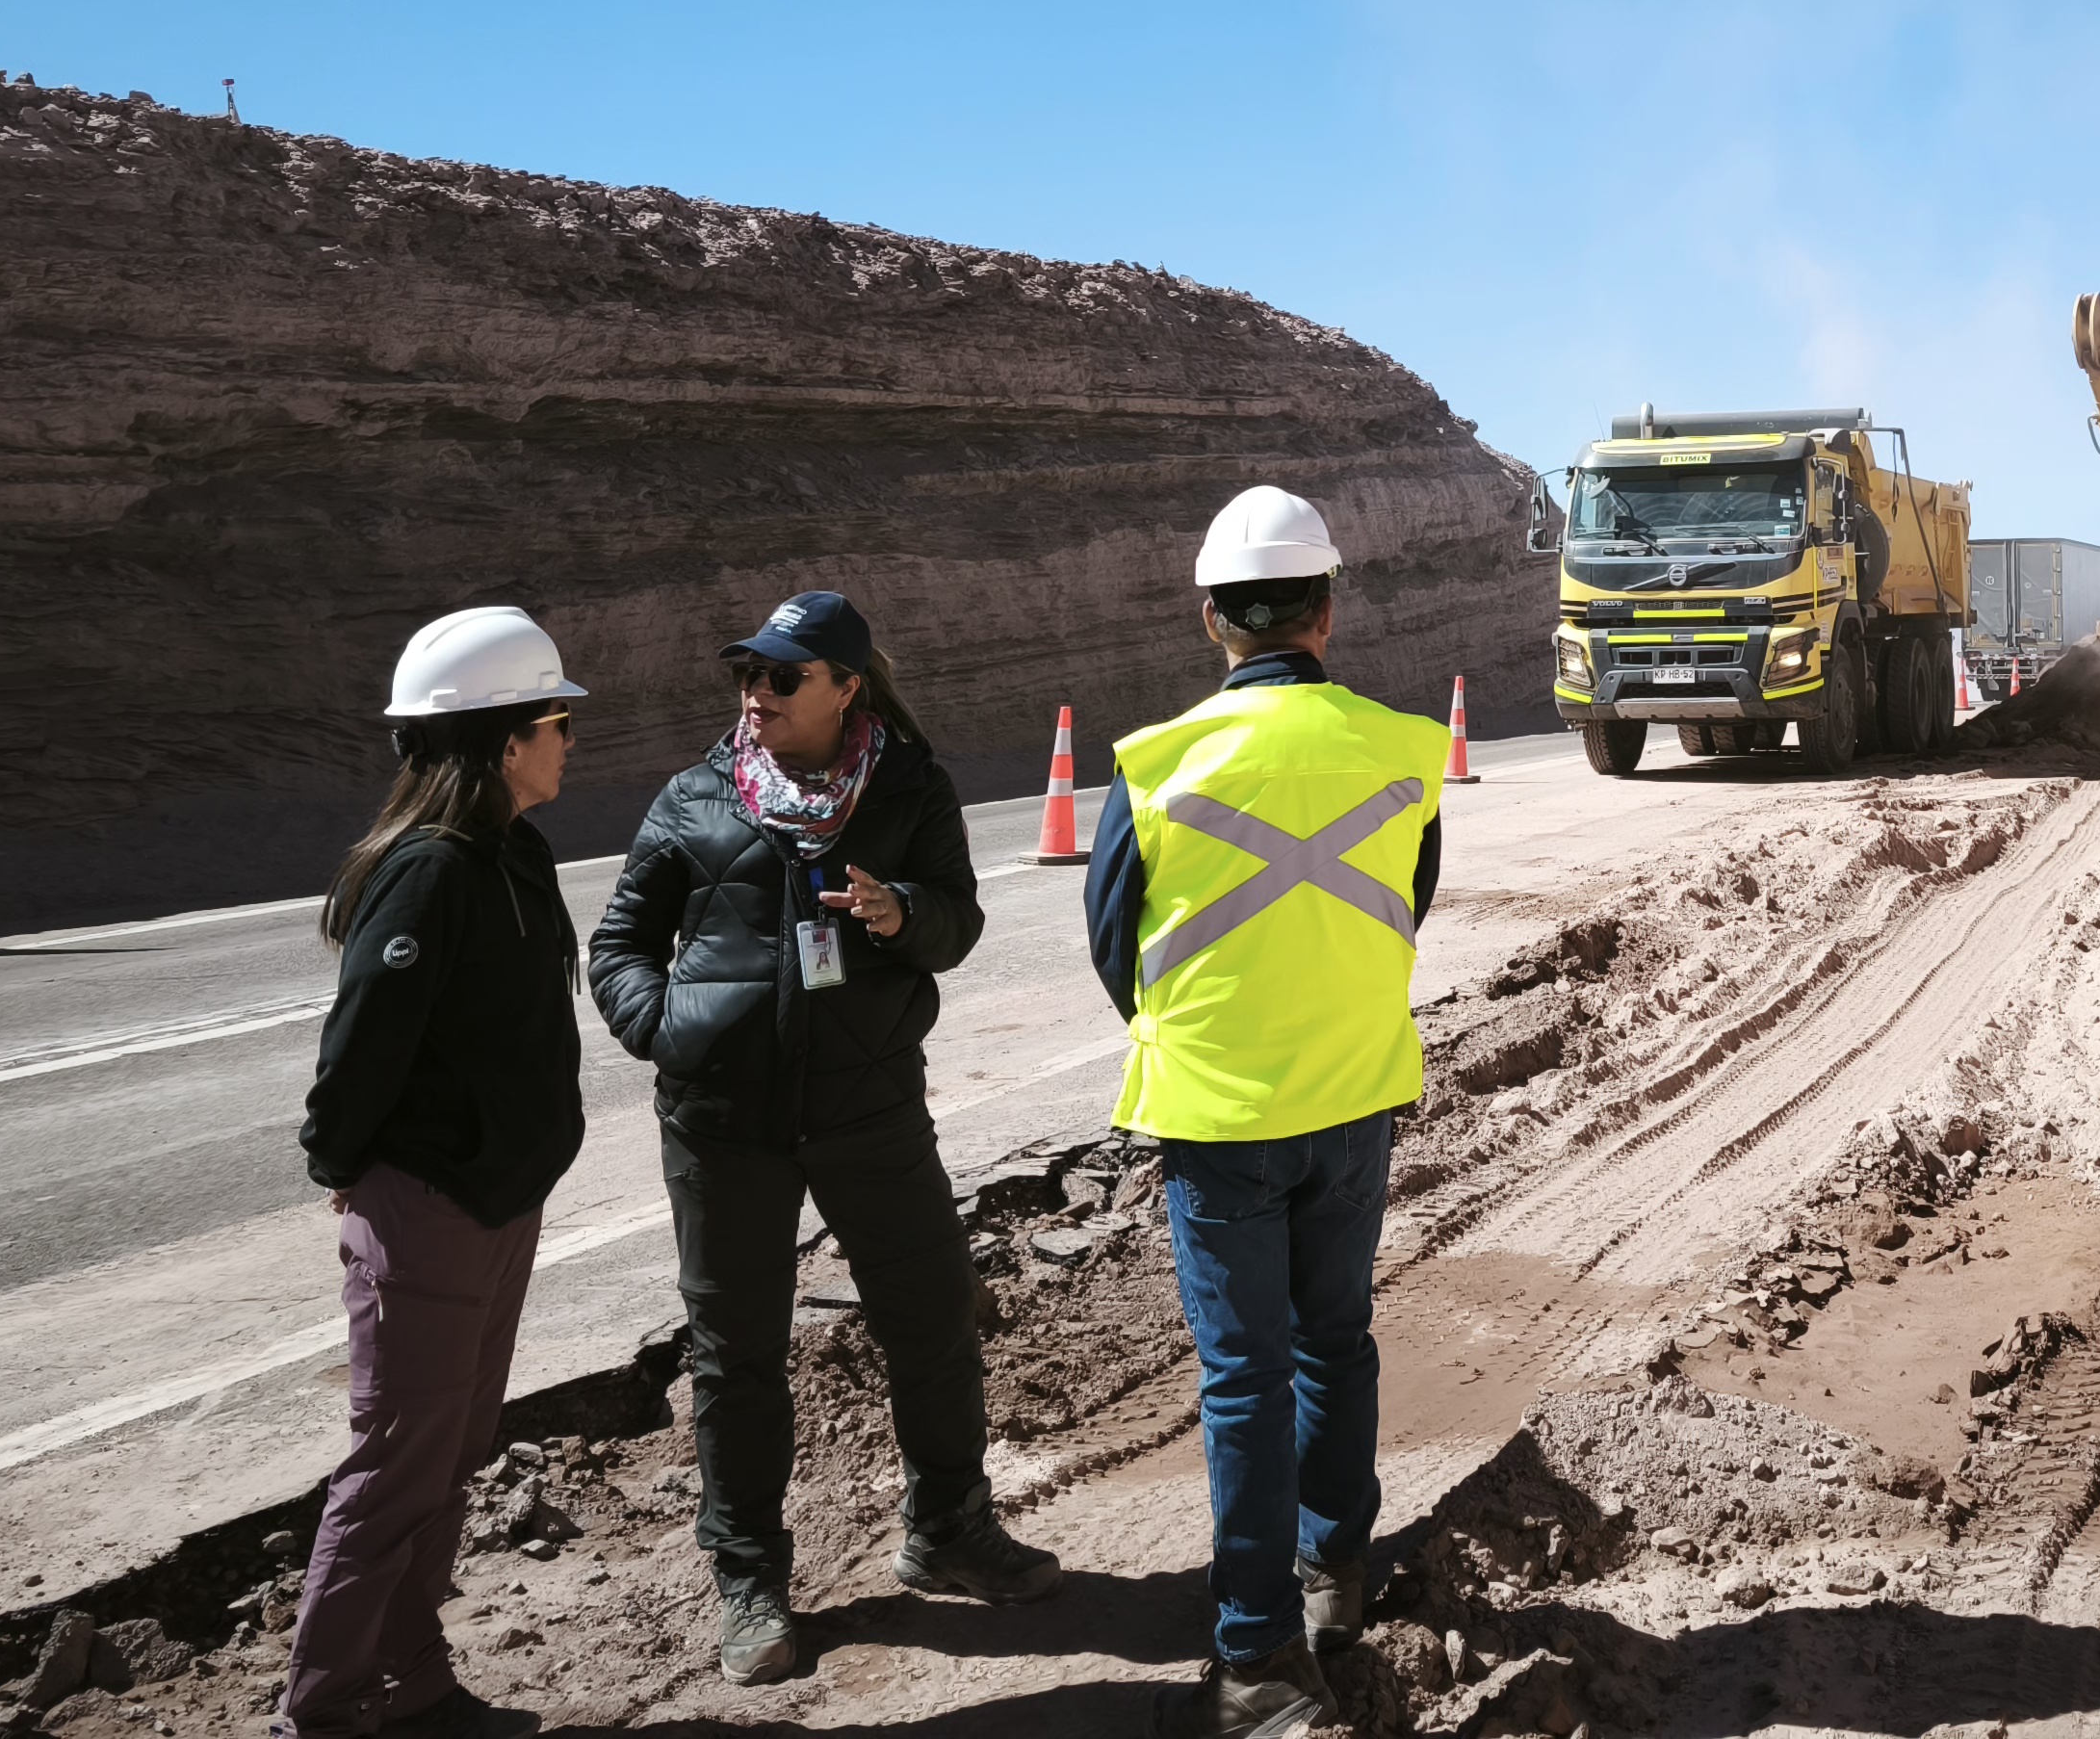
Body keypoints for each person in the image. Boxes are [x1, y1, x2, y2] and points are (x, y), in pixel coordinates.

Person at [586, 590, 1058, 1684]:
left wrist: (901, 913)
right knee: (736, 1357)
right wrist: (666, 1032)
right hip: (723, 1126)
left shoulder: (906, 790)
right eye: (746, 673)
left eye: (783, 676)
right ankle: (749, 1577)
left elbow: (959, 923)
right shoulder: (696, 797)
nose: (756, 693)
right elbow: (617, 941)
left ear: (848, 687)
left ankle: (947, 1529)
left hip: (869, 1109)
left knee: (933, 1321)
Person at [1085, 487, 1447, 1737]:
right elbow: (1411, 901)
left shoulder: (1156, 765)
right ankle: (1336, 1572)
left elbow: (1110, 944)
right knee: (1333, 1343)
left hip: (1219, 1117)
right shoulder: (1401, 751)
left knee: (1243, 1379)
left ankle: (1256, 1660)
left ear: (1210, 622)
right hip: (1354, 1101)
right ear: (1327, 614)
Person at [285, 607, 592, 1739]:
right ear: (506, 739)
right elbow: (362, 1041)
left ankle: (411, 1687)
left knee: (450, 1454)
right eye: (556, 720)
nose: (569, 739)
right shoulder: (428, 872)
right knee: (396, 1468)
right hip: (430, 1209)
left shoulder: (512, 851)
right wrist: (344, 1163)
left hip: (497, 1200)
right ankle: (319, 1716)